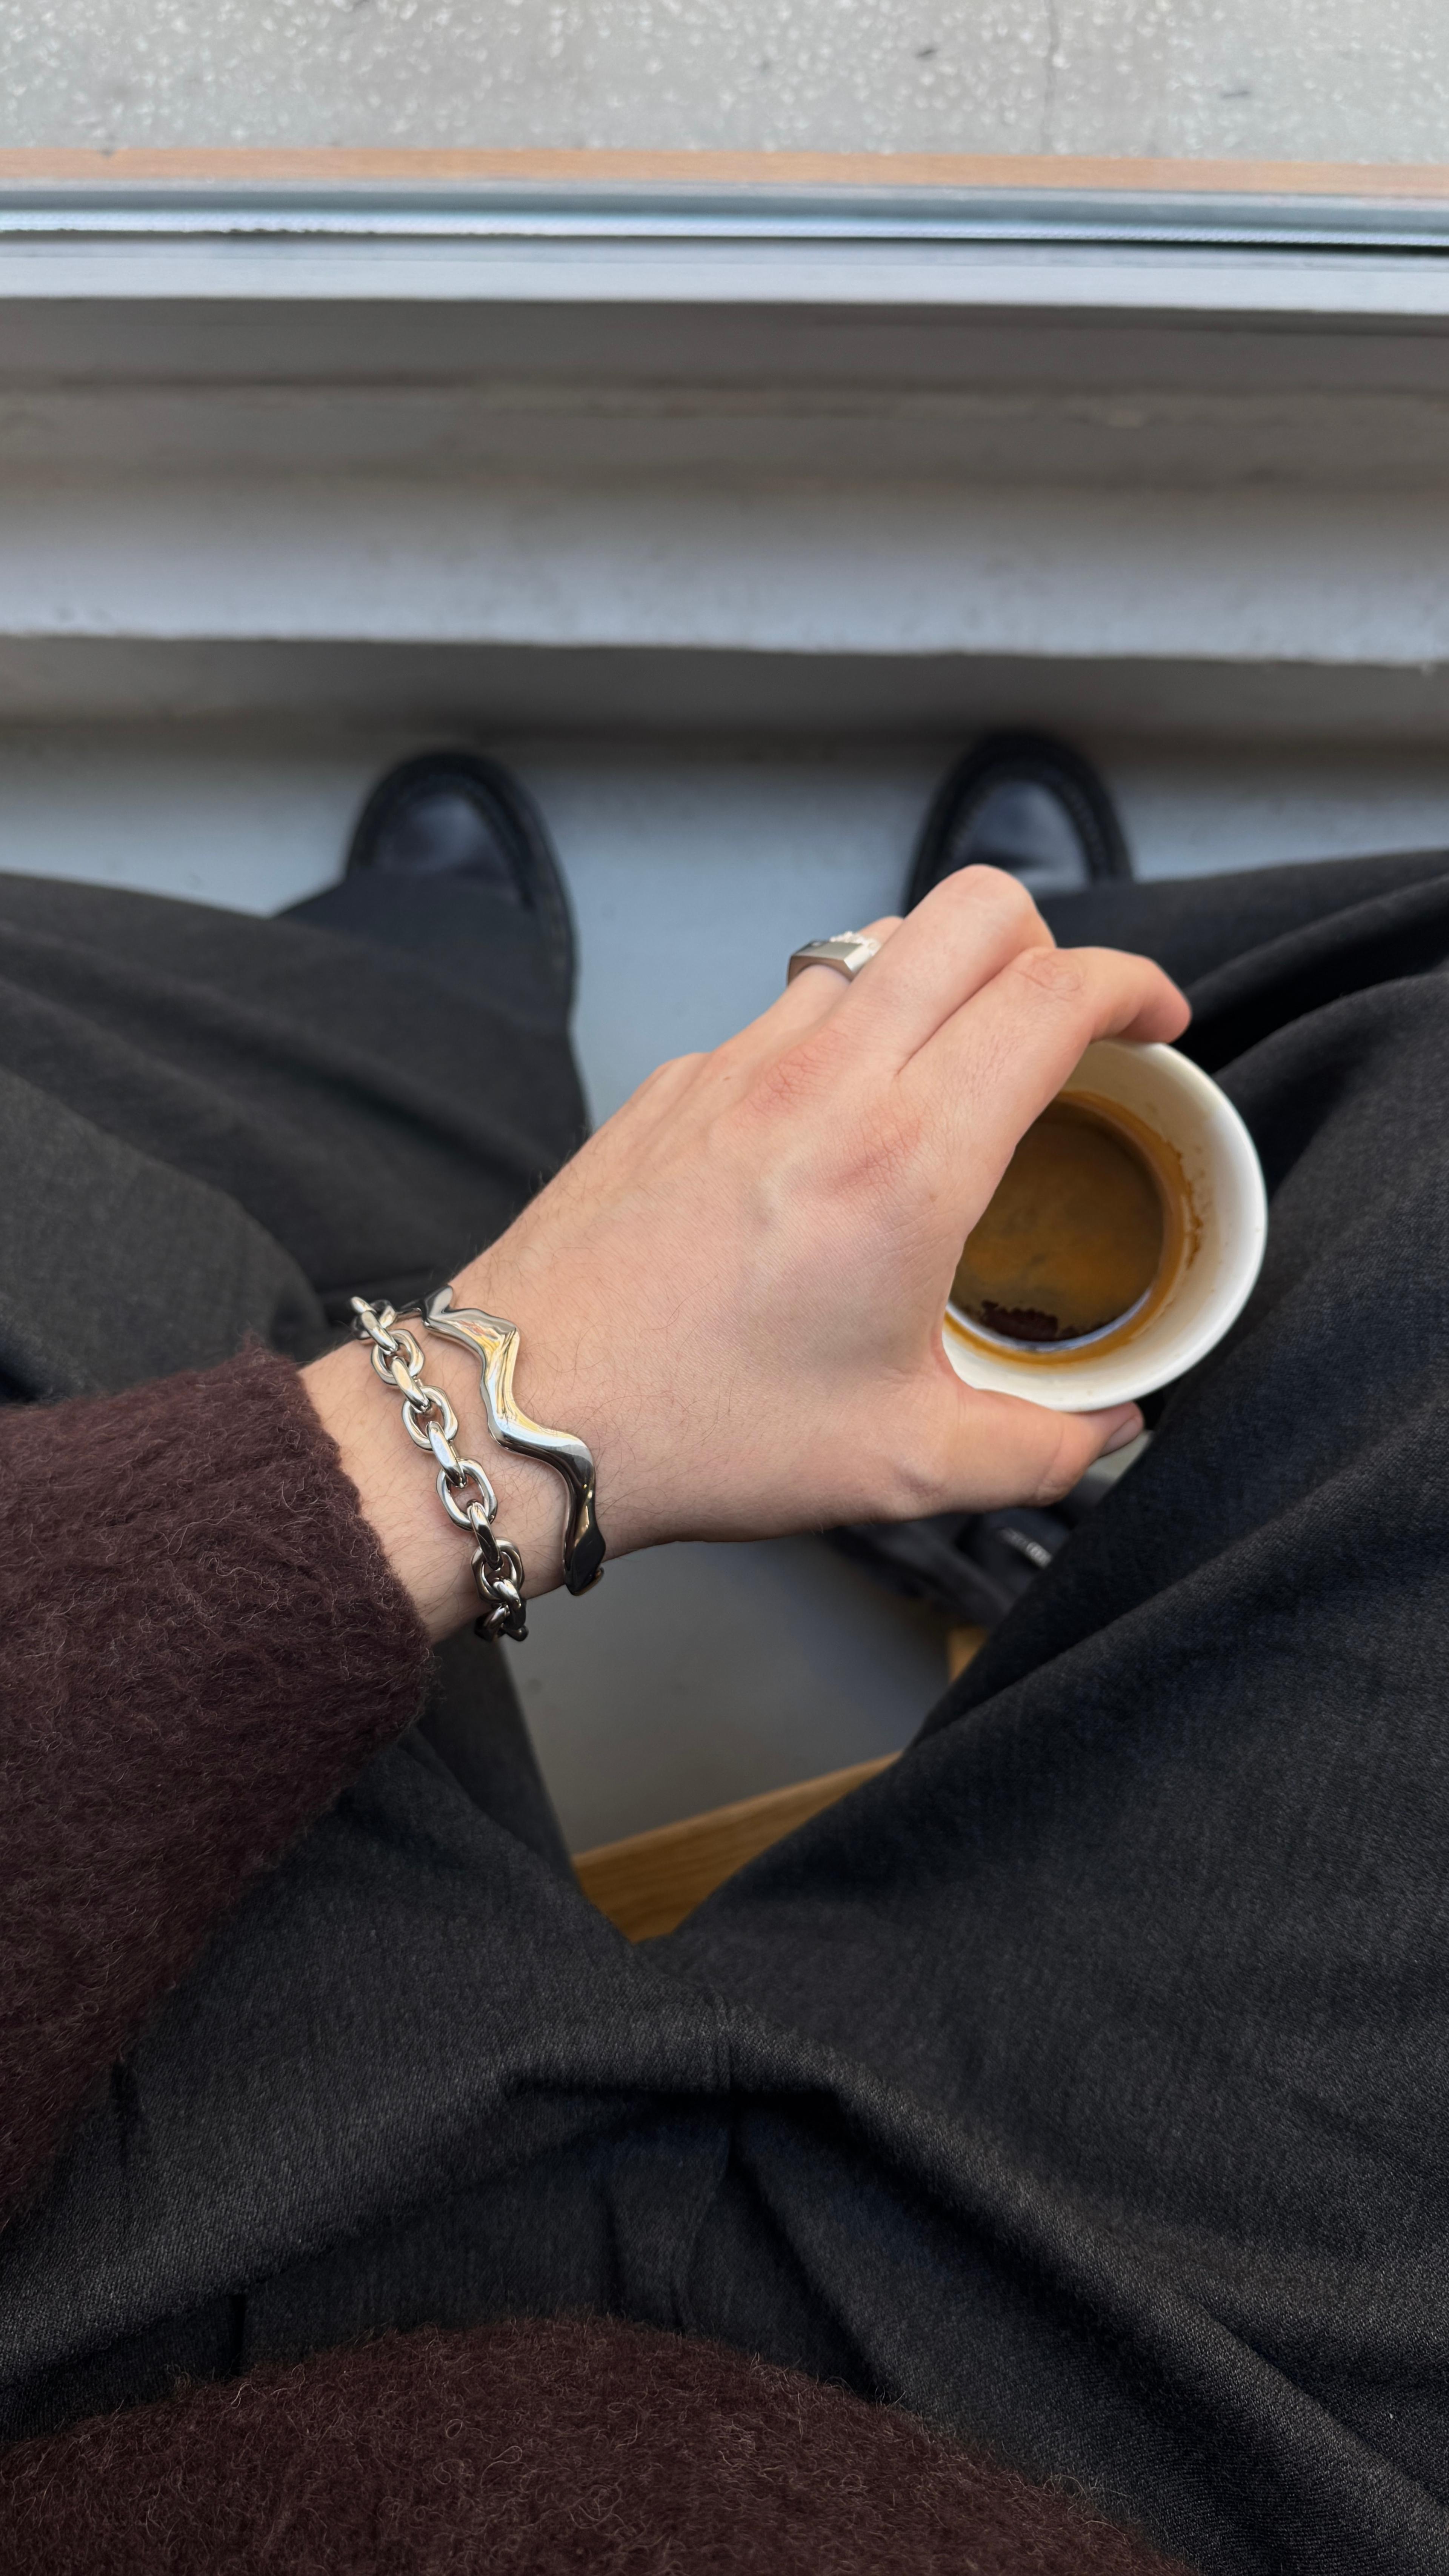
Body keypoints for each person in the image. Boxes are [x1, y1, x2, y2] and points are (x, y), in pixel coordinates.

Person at [0, 747, 1447, 2576]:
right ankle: (471, 1053)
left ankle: (428, 1020)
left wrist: (449, 1417)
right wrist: (497, 1415)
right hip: (1151, 2454)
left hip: (103, 2285)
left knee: (103, 1181)